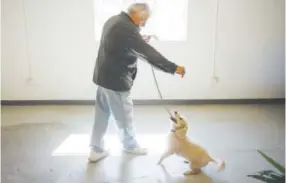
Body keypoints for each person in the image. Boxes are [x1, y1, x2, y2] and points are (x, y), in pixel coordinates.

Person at [89, 3, 186, 162]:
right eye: (144, 20)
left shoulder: (114, 20)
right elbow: (151, 55)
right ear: (139, 16)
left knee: (101, 115)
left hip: (102, 77)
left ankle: (95, 149)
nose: (144, 23)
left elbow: (119, 44)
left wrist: (139, 40)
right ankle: (130, 146)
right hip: (116, 81)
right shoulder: (128, 30)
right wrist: (174, 68)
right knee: (124, 117)